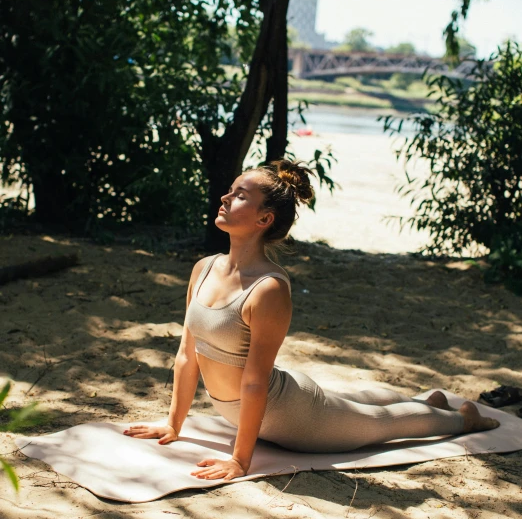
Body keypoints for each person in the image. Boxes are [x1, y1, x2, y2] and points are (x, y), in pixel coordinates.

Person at [124, 160, 499, 481]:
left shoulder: (268, 289)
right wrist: (174, 424)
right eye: (230, 190)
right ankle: (429, 399)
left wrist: (240, 460)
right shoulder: (203, 269)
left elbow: (254, 382)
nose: (225, 197)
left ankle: (463, 417)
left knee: (384, 425)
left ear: (264, 219)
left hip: (292, 416)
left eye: (239, 195)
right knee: (359, 404)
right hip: (259, 403)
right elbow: (187, 355)